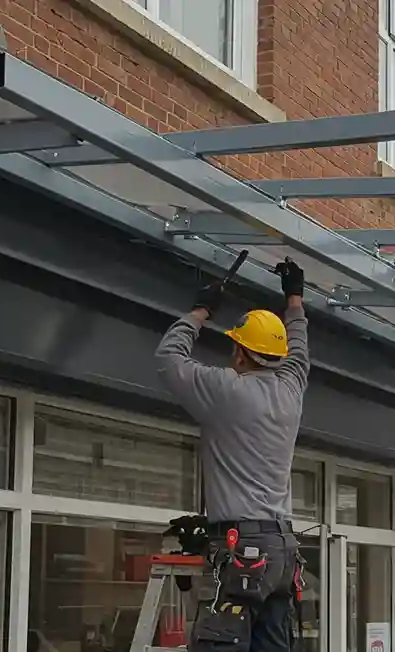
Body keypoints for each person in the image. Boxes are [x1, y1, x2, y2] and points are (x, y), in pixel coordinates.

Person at [155, 258, 310, 652]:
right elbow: (300, 348)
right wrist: (294, 297)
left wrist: (200, 310)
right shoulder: (291, 389)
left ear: (241, 353)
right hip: (281, 552)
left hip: (246, 550)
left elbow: (169, 358)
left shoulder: (227, 391)